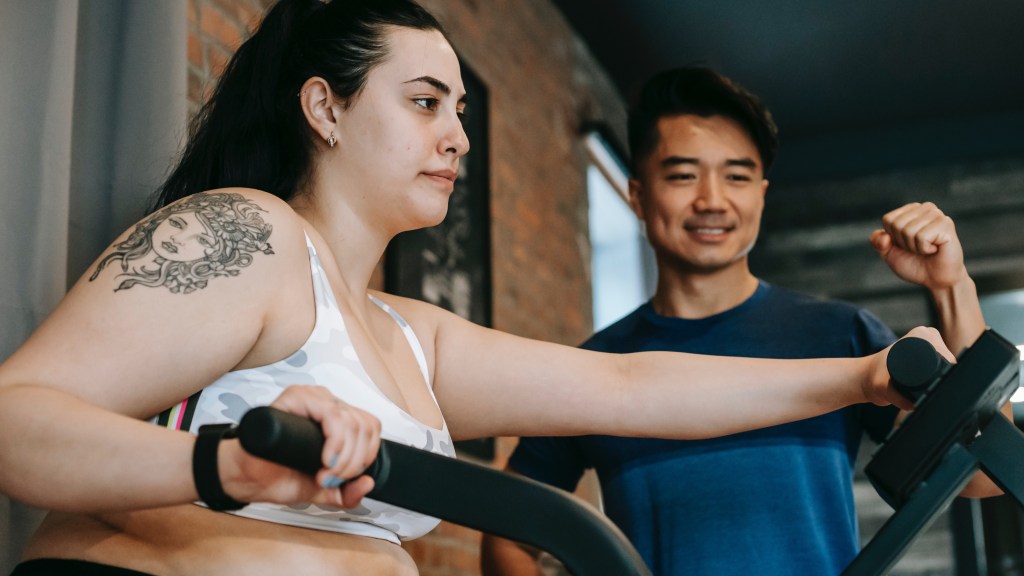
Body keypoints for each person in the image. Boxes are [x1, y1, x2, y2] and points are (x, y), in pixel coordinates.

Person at [0, 4, 943, 575]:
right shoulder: (251, 233)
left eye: (458, 109)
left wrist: (858, 381)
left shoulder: (414, 336)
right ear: (325, 107)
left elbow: (631, 389)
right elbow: (17, 421)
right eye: (424, 103)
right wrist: (220, 467)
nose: (457, 135)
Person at [481, 67, 999, 576]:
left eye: (736, 176)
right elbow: (506, 530)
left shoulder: (842, 336)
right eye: (683, 175)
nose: (712, 200)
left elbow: (980, 475)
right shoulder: (595, 368)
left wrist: (951, 286)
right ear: (638, 195)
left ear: (761, 193)